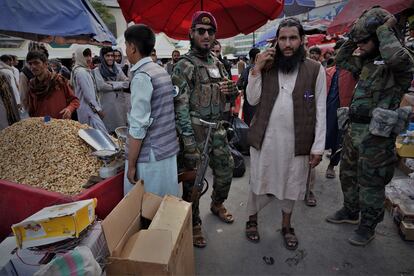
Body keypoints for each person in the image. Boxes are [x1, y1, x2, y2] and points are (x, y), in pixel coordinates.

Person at [326, 8, 414, 246]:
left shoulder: (400, 63)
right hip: (354, 130)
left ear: (379, 37)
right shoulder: (366, 62)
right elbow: (342, 60)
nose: (360, 45)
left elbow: (395, 57)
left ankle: (368, 226)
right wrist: (354, 37)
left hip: (376, 137)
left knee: (371, 183)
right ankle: (351, 211)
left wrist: (384, 28)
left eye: (365, 40)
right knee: (348, 174)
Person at [244, 17, 326, 250]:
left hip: (297, 142)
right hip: (266, 140)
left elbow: (321, 108)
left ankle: (287, 226)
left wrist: (318, 147)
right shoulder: (267, 65)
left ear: (302, 41)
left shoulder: (314, 69)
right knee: (259, 181)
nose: (287, 44)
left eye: (292, 38)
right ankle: (252, 220)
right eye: (283, 39)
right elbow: (252, 99)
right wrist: (256, 69)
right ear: (276, 42)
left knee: (292, 184)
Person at [172, 11, 238, 248]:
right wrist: (188, 143)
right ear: (191, 34)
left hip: (218, 129)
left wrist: (232, 91)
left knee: (226, 171)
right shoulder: (184, 66)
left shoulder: (218, 64)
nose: (206, 35)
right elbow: (179, 108)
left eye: (210, 32)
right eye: (201, 31)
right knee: (194, 181)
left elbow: (228, 97)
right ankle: (194, 221)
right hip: (196, 131)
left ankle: (217, 203)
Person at [123, 24, 179, 198]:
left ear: (132, 48)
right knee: (165, 206)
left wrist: (131, 164)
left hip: (151, 156)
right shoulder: (160, 70)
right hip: (166, 150)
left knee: (148, 208)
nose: (125, 50)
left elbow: (138, 127)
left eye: (126, 45)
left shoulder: (142, 76)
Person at [324, 40, 357, 179]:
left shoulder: (353, 71)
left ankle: (331, 165)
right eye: (337, 51)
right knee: (323, 135)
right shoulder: (327, 71)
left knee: (339, 138)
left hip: (343, 109)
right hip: (326, 108)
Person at [26, 51, 79, 119]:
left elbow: (74, 100)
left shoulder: (59, 81)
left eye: (36, 63)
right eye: (30, 64)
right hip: (41, 126)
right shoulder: (32, 85)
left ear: (46, 64)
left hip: (59, 124)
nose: (32, 66)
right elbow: (32, 110)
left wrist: (69, 109)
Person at [93, 47, 130, 133]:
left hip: (120, 106)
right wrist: (120, 84)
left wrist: (112, 84)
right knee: (108, 133)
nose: (110, 58)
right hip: (107, 106)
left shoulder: (117, 69)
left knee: (121, 132)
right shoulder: (97, 71)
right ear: (102, 57)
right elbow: (101, 86)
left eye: (112, 55)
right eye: (107, 56)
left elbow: (127, 82)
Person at [71, 47, 107, 133]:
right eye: (85, 55)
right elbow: (88, 96)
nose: (89, 58)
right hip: (89, 111)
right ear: (80, 56)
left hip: (85, 109)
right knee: (100, 136)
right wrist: (98, 110)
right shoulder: (81, 72)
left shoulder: (80, 70)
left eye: (90, 55)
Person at [237, 47, 260, 126]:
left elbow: (239, 84)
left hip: (249, 104)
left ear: (251, 58)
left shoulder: (248, 70)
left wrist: (243, 88)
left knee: (248, 125)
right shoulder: (265, 69)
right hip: (261, 104)